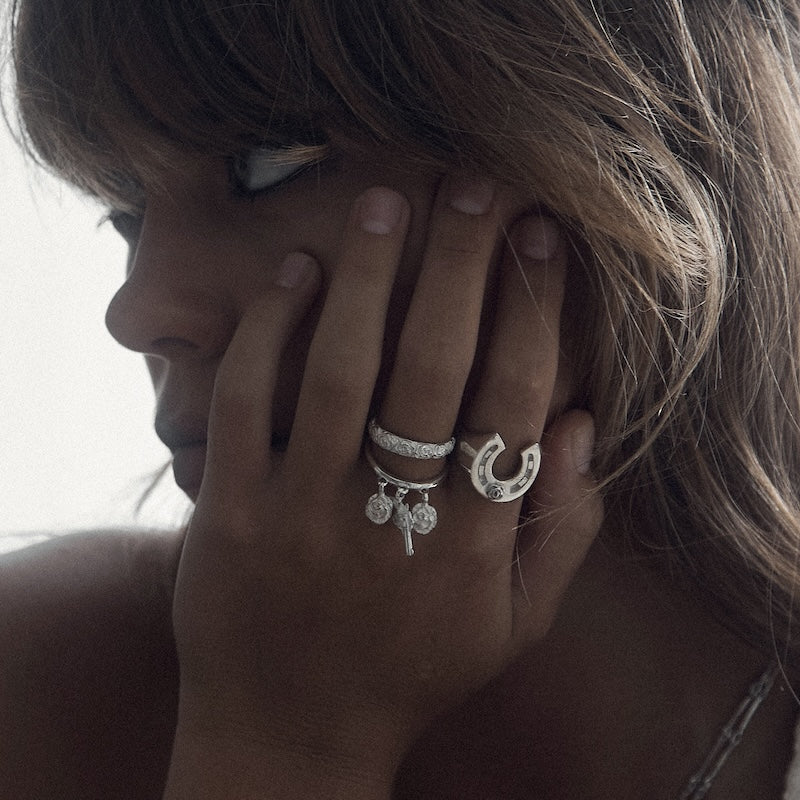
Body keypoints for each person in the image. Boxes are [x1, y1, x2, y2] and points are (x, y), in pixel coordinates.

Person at [2, 0, 800, 797]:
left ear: (635, 146)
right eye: (127, 213)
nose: (138, 312)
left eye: (268, 159)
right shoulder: (37, 690)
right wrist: (279, 742)